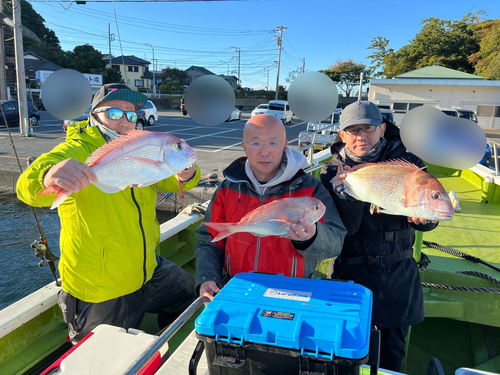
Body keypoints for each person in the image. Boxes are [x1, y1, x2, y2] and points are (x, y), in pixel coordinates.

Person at [16, 83, 201, 343]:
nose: (124, 121)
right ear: (94, 115)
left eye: (131, 114)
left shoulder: (143, 142)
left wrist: (187, 172)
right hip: (100, 284)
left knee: (186, 294)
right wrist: (47, 174)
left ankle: (161, 345)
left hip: (146, 267)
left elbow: (170, 180)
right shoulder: (80, 147)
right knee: (103, 353)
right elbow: (27, 185)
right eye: (114, 113)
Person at [320, 101, 439, 372]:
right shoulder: (330, 173)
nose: (360, 136)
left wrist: (427, 220)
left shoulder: (410, 164)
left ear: (383, 129)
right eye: (352, 130)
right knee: (347, 351)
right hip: (351, 271)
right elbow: (342, 229)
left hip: (399, 272)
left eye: (368, 128)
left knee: (392, 354)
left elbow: (428, 213)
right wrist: (346, 197)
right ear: (341, 135)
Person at [195, 114, 346, 299]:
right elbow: (207, 240)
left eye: (273, 143)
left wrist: (312, 238)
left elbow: (335, 242)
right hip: (238, 287)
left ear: (284, 145)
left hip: (293, 291)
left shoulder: (311, 188)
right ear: (244, 147)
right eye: (256, 143)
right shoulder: (228, 188)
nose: (264, 152)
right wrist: (208, 277)